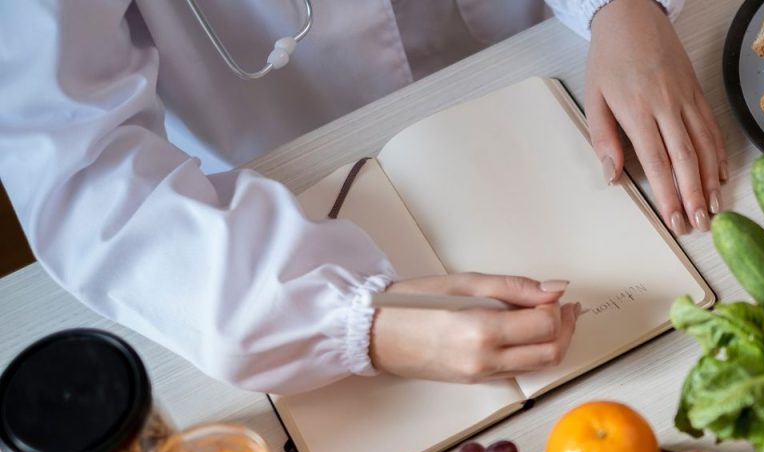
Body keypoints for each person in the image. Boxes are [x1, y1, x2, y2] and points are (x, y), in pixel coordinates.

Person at [0, 0, 726, 394]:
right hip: (285, 194)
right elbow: (76, 166)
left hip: (554, 53)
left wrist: (622, 7)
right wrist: (341, 323)